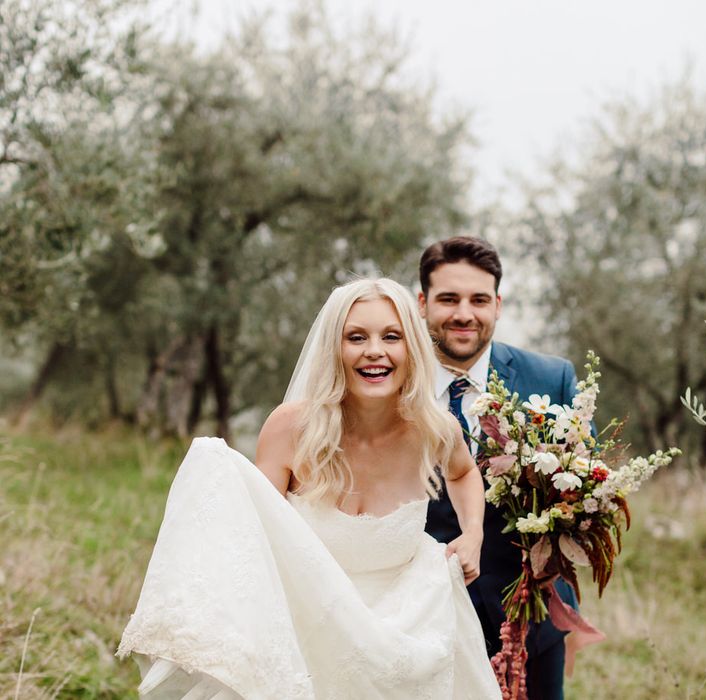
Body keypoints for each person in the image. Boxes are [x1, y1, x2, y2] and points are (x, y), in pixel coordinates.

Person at [117, 277, 502, 699]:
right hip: (307, 627)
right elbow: (253, 531)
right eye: (356, 337)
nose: (374, 349)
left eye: (391, 336)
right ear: (333, 349)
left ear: (411, 346)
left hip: (408, 626)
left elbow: (464, 474)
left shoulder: (434, 429)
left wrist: (473, 534)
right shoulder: (291, 428)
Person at [419, 236, 579, 700]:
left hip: (531, 616)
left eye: (478, 300)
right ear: (423, 303)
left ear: (498, 305)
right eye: (448, 299)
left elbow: (578, 490)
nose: (463, 314)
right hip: (422, 619)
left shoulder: (552, 380)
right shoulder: (390, 380)